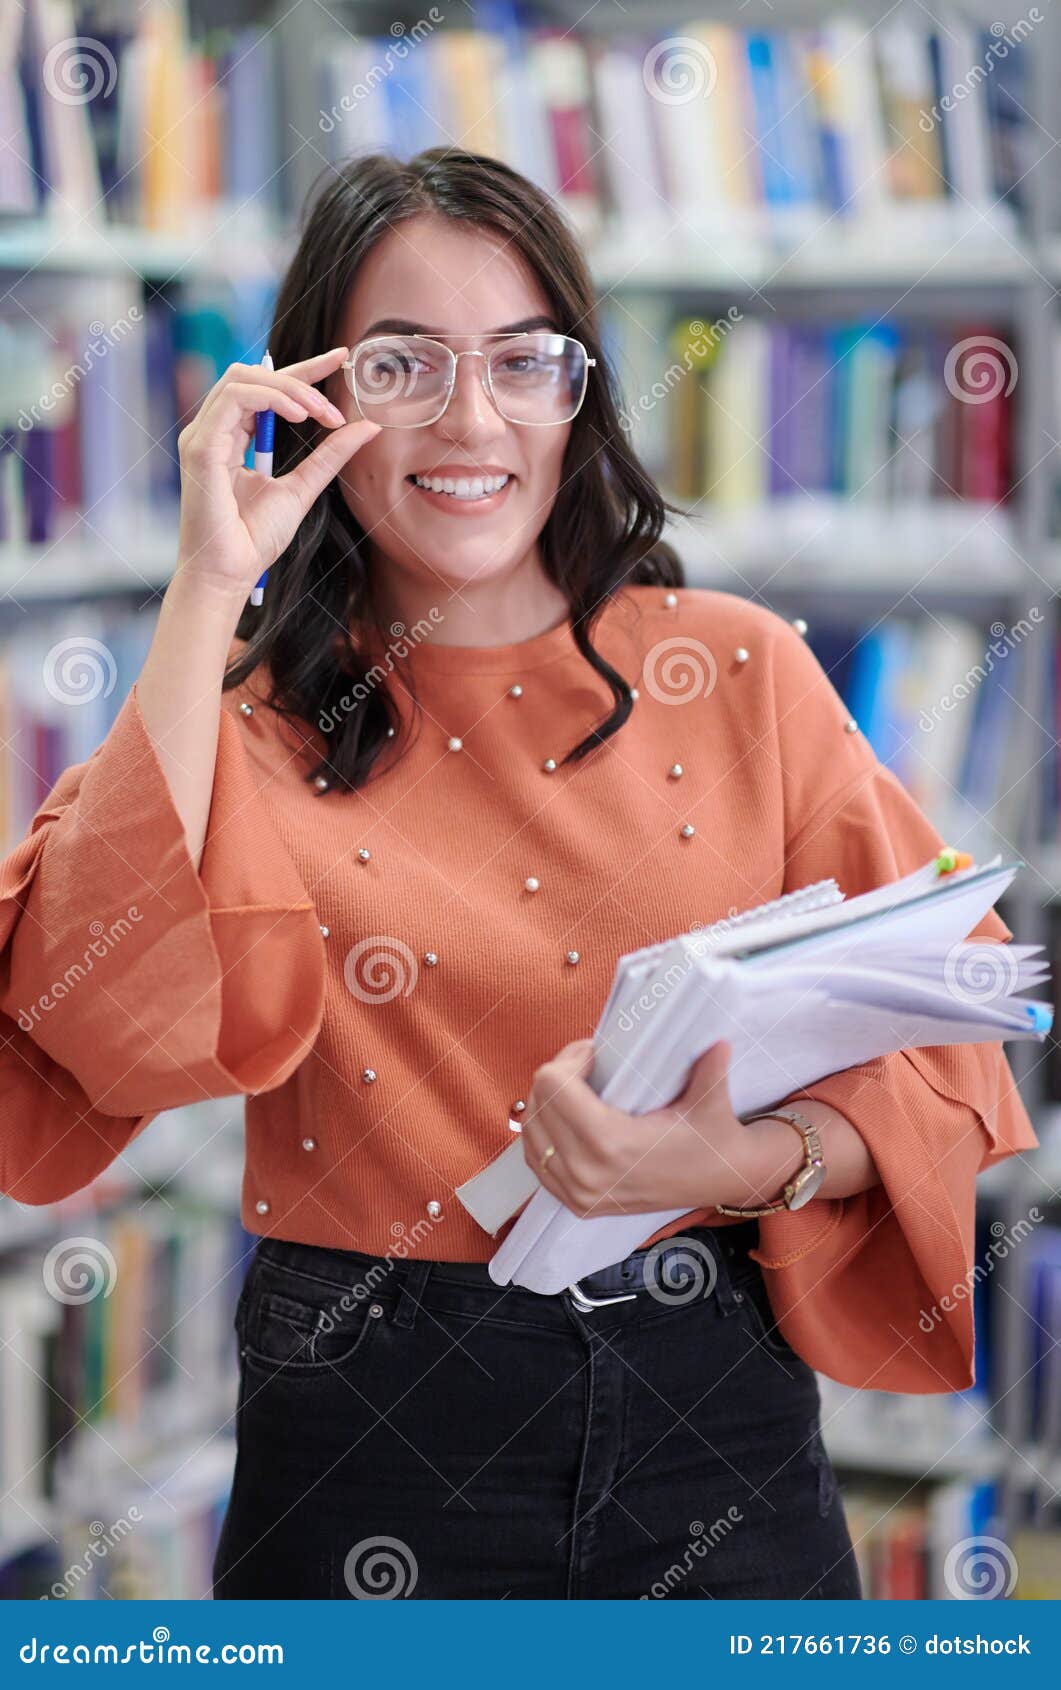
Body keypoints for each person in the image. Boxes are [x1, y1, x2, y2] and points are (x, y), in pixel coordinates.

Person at [0, 149, 1036, 1601]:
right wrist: (201, 592)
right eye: (400, 365)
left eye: (522, 362)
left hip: (714, 1414)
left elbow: (948, 1043)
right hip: (372, 1425)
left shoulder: (738, 667)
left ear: (581, 390)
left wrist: (735, 1164)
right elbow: (74, 1013)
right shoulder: (236, 710)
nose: (469, 419)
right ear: (316, 398)